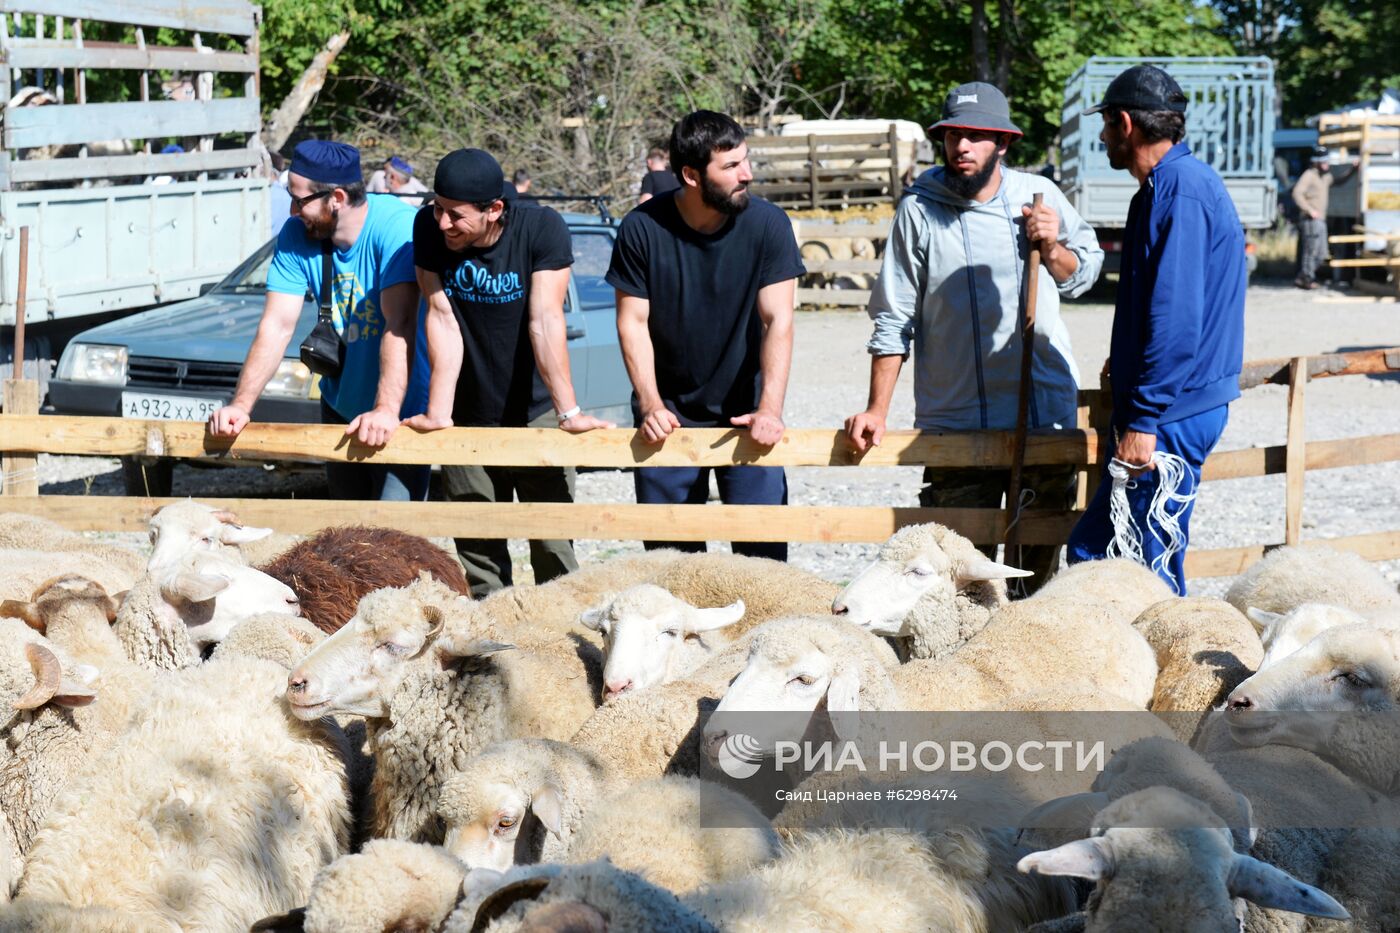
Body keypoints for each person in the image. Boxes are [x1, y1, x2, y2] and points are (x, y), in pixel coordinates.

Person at [844, 82, 1104, 594]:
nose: (961, 146)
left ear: (1003, 143)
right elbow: (894, 316)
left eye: (976, 136)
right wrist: (877, 408)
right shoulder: (920, 210)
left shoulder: (1039, 198)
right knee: (955, 578)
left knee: (1035, 572)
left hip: (1041, 413)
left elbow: (1084, 274)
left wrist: (1051, 247)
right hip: (955, 419)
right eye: (953, 135)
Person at [1066, 65, 1247, 595]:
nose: (1101, 137)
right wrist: (1123, 365)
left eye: (1104, 125)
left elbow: (1176, 318)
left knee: (1138, 561)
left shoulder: (1181, 193)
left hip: (1170, 412)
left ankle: (1164, 670)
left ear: (1125, 123)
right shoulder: (1164, 189)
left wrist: (1143, 417)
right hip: (1170, 404)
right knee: (1114, 552)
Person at [409, 148, 612, 596]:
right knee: (478, 543)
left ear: (495, 209)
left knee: (552, 540)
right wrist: (439, 411)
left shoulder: (541, 229)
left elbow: (545, 321)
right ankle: (493, 652)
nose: (443, 223)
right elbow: (441, 317)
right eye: (437, 209)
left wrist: (569, 412)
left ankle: (559, 644)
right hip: (468, 410)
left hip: (536, 408)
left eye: (456, 215)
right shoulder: (428, 227)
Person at [607, 110, 805, 561]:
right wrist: (651, 404)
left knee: (763, 564)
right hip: (669, 417)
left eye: (746, 160)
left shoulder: (769, 224)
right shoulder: (642, 228)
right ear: (691, 175)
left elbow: (779, 320)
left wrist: (770, 408)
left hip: (748, 415)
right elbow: (632, 322)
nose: (747, 174)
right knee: (671, 566)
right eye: (731, 166)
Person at [209, 140, 431, 502]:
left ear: (337, 198)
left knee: (393, 540)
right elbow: (276, 325)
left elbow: (400, 323)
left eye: (299, 200)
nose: (293, 211)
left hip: (401, 412)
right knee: (344, 537)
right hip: (339, 405)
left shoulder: (397, 228)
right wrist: (240, 405)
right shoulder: (298, 235)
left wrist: (385, 411)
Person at [1291, 146, 1358, 290]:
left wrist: (1352, 170)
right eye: (1324, 162)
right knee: (1311, 251)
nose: (1327, 164)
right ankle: (1305, 279)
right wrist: (1309, 210)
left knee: (1321, 252)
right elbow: (1297, 193)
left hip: (1320, 220)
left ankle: (1305, 276)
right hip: (1311, 220)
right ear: (1316, 162)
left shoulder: (1325, 177)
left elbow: (1339, 181)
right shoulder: (1309, 175)